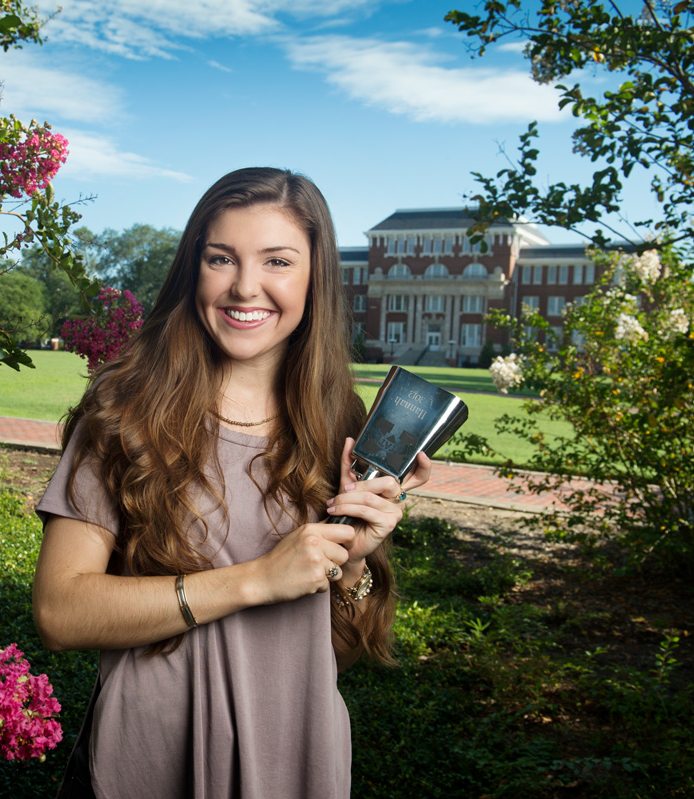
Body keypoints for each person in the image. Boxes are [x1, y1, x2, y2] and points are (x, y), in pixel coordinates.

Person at [32, 167, 432, 798]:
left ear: (314, 278)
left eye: (277, 260)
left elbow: (328, 656)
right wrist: (253, 581)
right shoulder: (124, 414)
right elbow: (59, 613)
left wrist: (351, 565)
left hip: (297, 764)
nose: (246, 286)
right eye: (222, 258)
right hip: (148, 763)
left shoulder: (344, 430)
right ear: (195, 268)